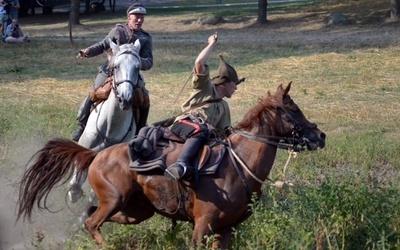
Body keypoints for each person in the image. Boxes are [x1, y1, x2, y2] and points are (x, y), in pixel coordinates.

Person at [164, 33, 244, 181]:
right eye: (235, 84)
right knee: (200, 130)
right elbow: (199, 63)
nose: (236, 88)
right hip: (184, 125)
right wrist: (212, 43)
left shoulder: (224, 106)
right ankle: (179, 165)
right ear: (224, 83)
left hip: (203, 134)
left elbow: (224, 133)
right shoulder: (205, 88)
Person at [71, 3, 153, 141]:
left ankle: (140, 130)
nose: (139, 20)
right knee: (94, 93)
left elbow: (149, 61)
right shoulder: (118, 30)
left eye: (142, 17)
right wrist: (88, 51)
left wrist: (137, 61)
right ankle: (82, 125)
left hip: (131, 74)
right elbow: (103, 45)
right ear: (128, 17)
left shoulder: (145, 37)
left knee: (143, 98)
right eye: (136, 17)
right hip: (110, 70)